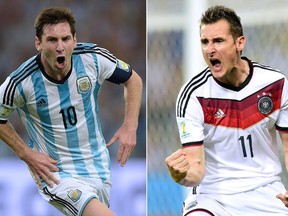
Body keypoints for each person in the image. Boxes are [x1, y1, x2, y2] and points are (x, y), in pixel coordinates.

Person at [0, 7, 142, 216]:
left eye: (65, 39)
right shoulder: (21, 82)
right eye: (52, 40)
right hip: (57, 175)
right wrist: (26, 153)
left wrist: (130, 126)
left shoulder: (92, 58)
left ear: (75, 40)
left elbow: (133, 80)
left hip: (98, 167)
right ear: (38, 43)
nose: (60, 47)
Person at [165, 5, 288, 216]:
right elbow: (195, 168)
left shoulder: (275, 84)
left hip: (266, 191)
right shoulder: (193, 95)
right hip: (213, 196)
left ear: (240, 43)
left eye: (218, 41)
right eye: (205, 42)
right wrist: (181, 175)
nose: (210, 49)